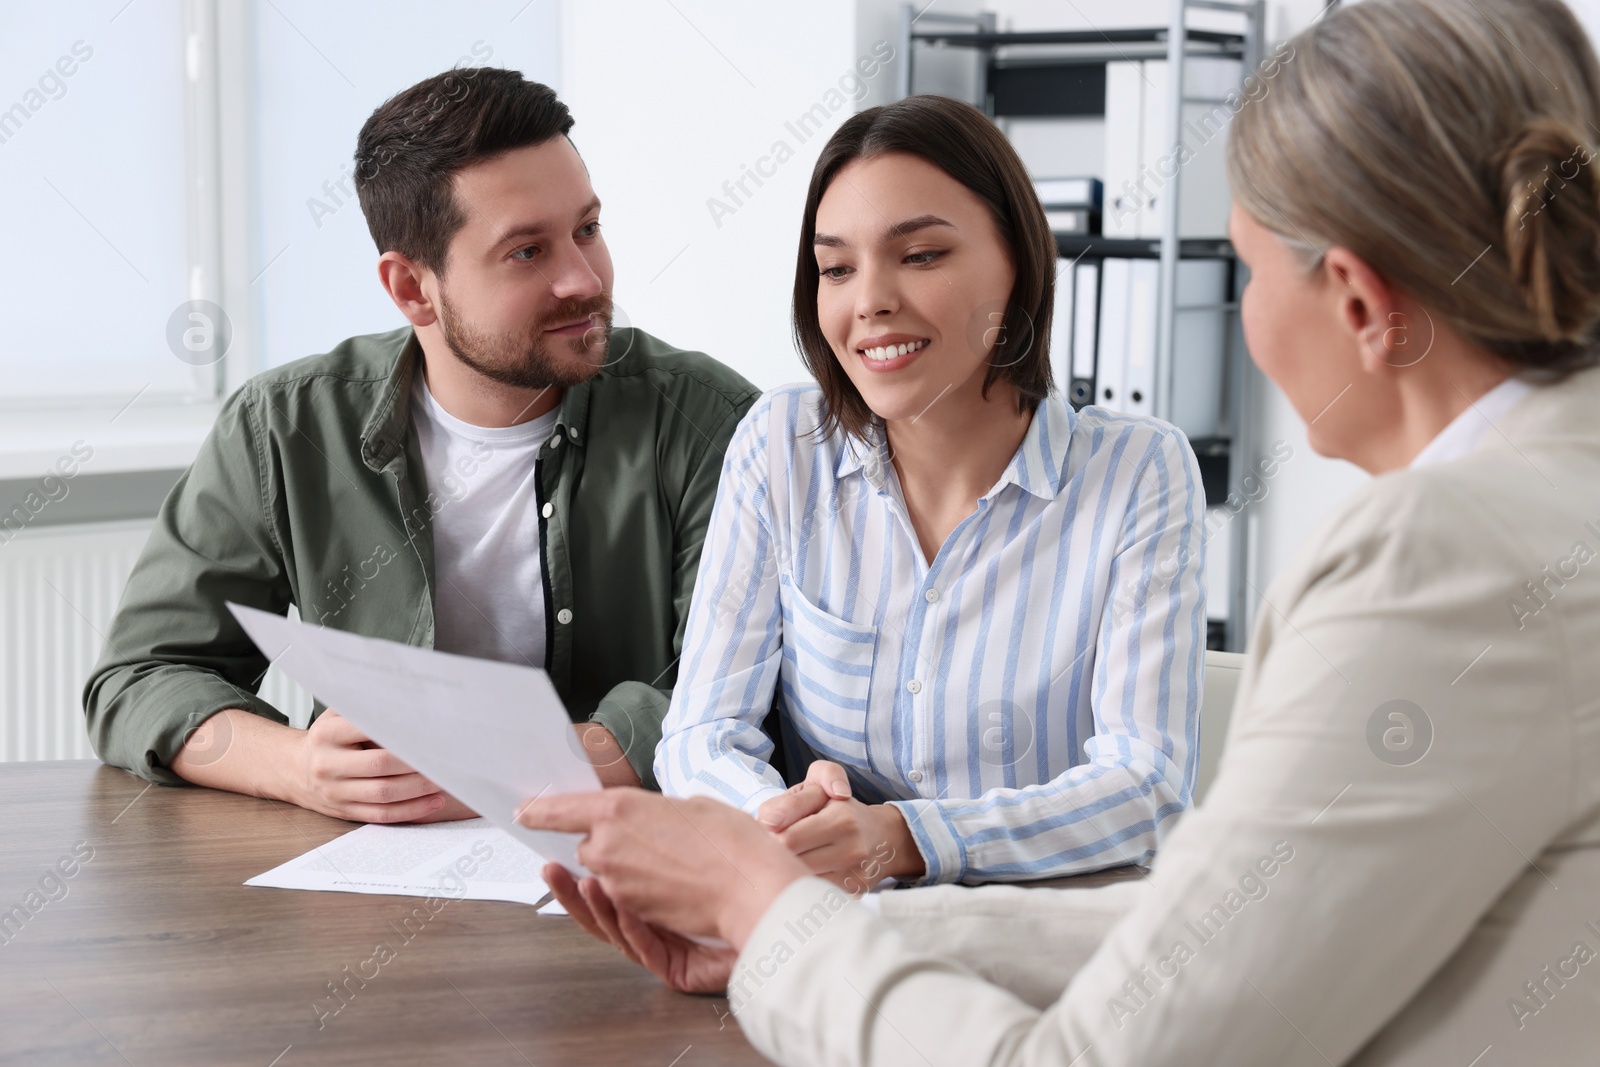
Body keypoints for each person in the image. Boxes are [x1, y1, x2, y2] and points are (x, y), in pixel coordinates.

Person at [515, 0, 1600, 1061]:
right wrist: (800, 923)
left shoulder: (1432, 557)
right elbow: (1205, 927)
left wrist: (771, 907)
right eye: (836, 264)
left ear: (1357, 299)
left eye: (1249, 269)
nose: (869, 299)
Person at [83, 68, 758, 821]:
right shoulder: (283, 426)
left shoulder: (711, 419)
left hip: (636, 872)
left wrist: (522, 772)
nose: (585, 278)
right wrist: (300, 766)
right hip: (371, 888)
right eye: (528, 252)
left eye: (587, 229)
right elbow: (141, 677)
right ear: (412, 288)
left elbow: (739, 691)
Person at [653, 93, 1207, 887]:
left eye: (919, 256)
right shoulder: (782, 443)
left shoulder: (1139, 473)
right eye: (837, 268)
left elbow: (1147, 786)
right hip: (829, 930)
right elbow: (701, 733)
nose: (869, 300)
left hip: (1045, 945)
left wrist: (910, 837)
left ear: (1017, 262)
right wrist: (783, 824)